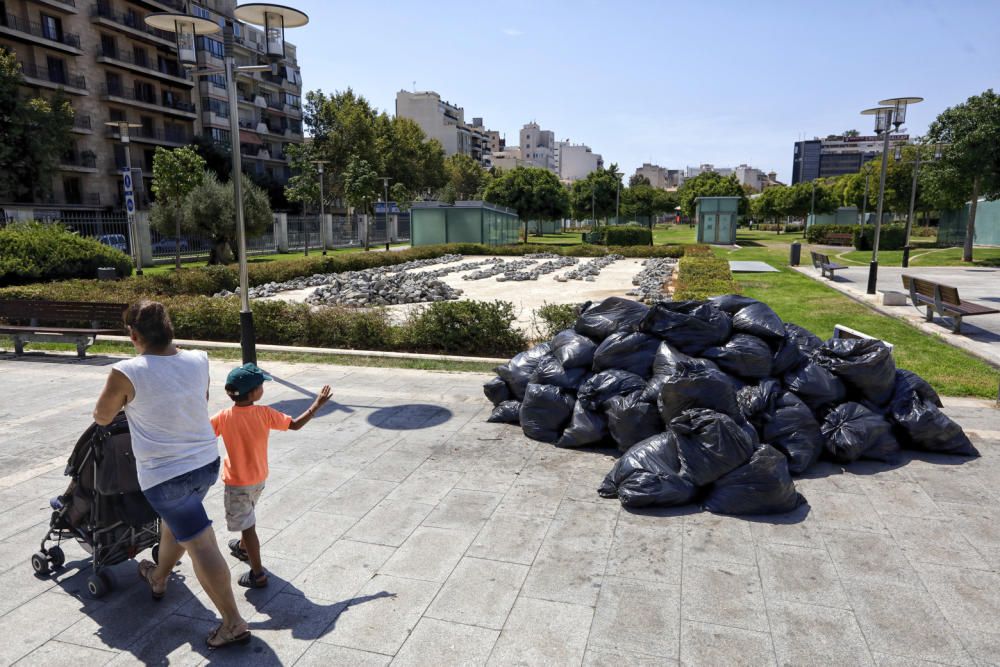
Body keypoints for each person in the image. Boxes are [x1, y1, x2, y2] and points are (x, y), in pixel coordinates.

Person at [92, 300, 249, 650]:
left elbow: (102, 416)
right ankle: (158, 577)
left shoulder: (126, 371)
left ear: (133, 335)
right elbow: (199, 399)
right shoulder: (199, 358)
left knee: (201, 543)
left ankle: (233, 623)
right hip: (205, 463)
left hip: (166, 477)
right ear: (170, 329)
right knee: (176, 526)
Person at [211, 364, 331, 588]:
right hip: (258, 478)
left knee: (248, 526)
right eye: (261, 385)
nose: (263, 388)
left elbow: (203, 436)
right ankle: (244, 548)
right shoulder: (264, 413)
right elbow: (294, 425)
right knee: (249, 516)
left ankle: (258, 574)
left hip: (237, 482)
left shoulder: (223, 416)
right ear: (254, 392)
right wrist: (316, 405)